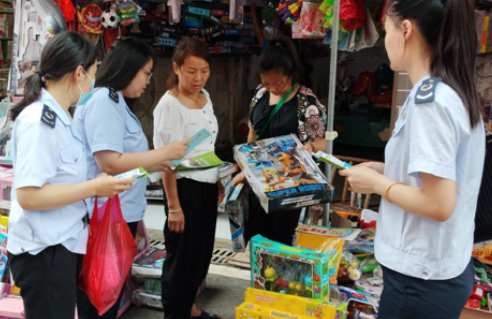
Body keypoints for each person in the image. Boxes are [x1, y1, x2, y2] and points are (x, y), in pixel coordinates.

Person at [340, 0, 485, 319]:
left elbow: (438, 203)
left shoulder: (430, 101)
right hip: (438, 269)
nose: (385, 40)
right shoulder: (450, 91)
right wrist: (384, 171)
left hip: (421, 279)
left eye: (387, 29)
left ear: (405, 29)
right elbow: (440, 176)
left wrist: (378, 186)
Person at [7, 31, 134, 319]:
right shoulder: (40, 121)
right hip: (43, 250)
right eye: (93, 72)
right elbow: (28, 196)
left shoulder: (63, 116)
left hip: (61, 242)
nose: (94, 80)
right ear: (78, 73)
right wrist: (94, 188)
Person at [74, 37, 191, 319]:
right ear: (129, 68)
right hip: (104, 214)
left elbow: (124, 161)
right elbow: (109, 162)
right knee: (100, 294)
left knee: (108, 292)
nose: (148, 80)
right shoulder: (104, 100)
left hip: (117, 210)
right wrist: (159, 154)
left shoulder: (116, 101)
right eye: (146, 72)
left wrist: (160, 161)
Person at [153, 38, 223, 319]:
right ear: (177, 68)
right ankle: (175, 314)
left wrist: (217, 177)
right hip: (183, 189)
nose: (198, 78)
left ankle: (190, 309)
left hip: (206, 185)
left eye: (204, 70)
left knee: (200, 254)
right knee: (181, 258)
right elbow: (166, 161)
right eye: (191, 71)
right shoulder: (169, 105)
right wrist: (173, 206)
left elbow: (207, 145)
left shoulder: (205, 96)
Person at [233, 45, 327, 246]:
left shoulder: (305, 100)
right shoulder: (259, 95)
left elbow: (321, 141)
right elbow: (253, 131)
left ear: (291, 74)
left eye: (278, 82)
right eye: (267, 82)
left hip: (289, 184)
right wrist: (246, 167)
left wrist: (310, 148)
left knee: (281, 238)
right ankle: (258, 276)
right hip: (260, 180)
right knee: (257, 236)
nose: (272, 88)